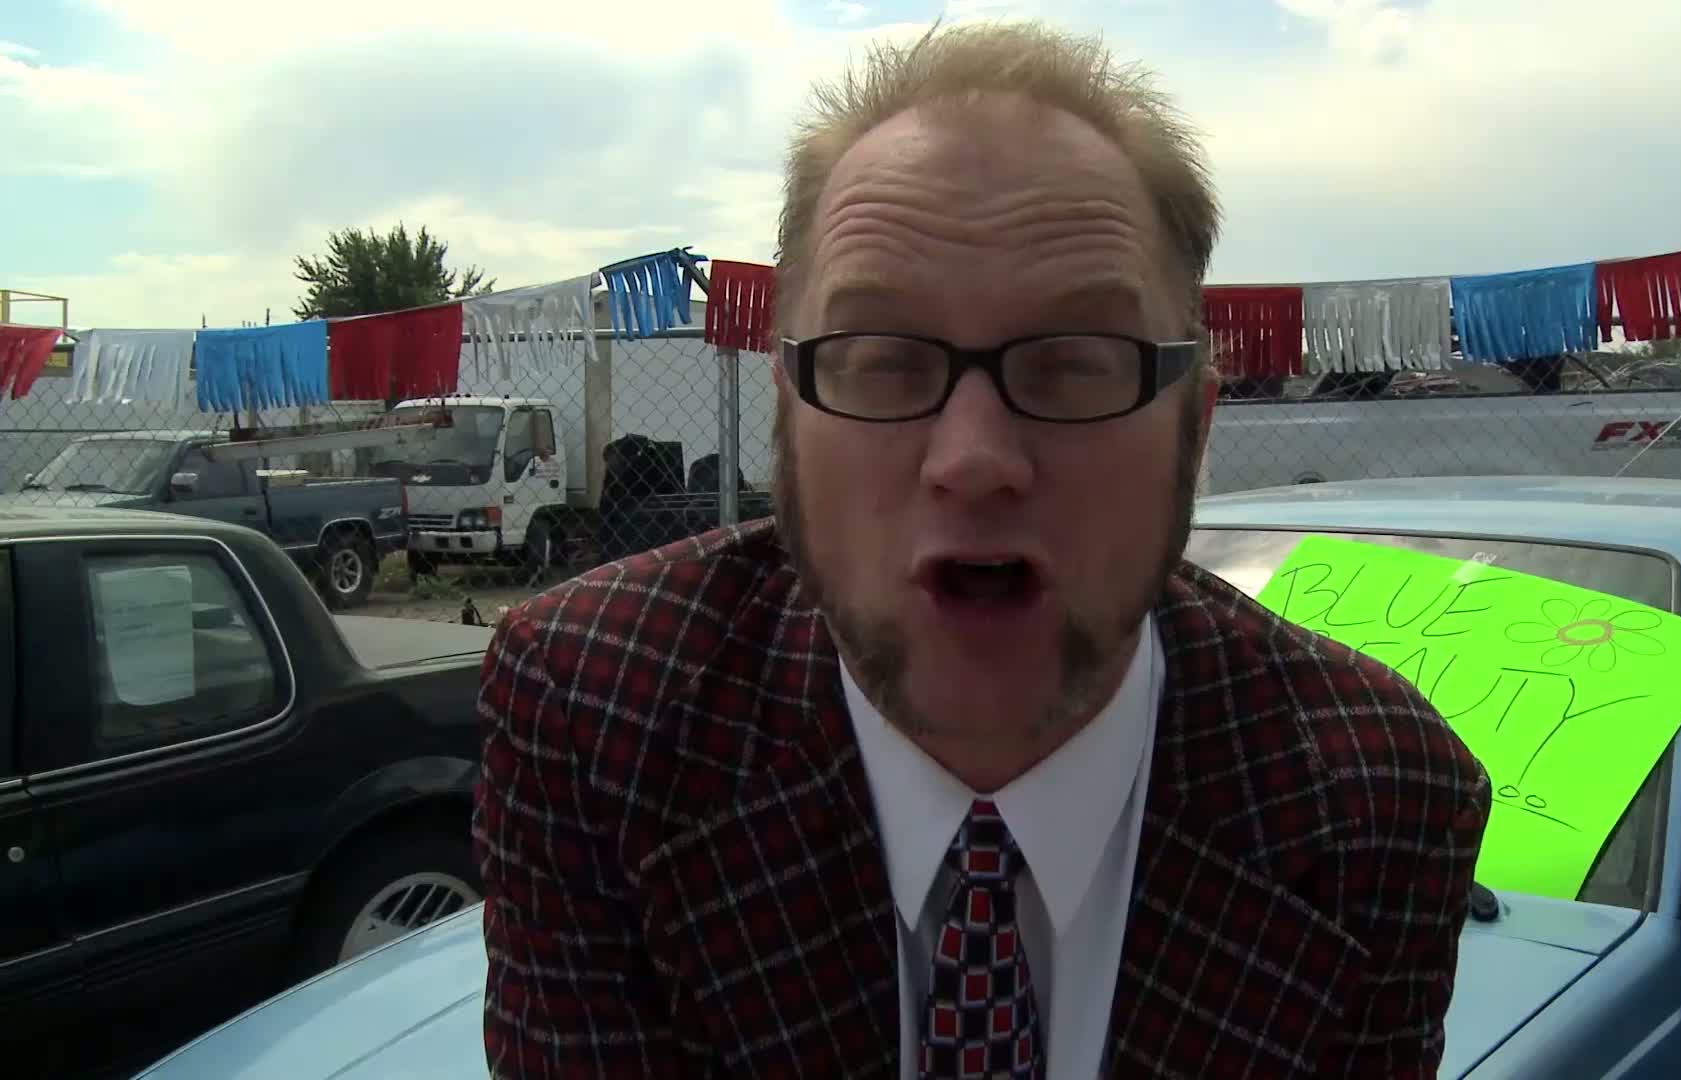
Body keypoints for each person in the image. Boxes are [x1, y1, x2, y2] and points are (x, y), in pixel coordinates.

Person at [472, 19, 1490, 1080]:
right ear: (786, 420)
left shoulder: (1380, 797)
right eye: (881, 358)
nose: (974, 460)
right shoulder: (594, 714)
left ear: (1195, 426)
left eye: (1077, 361)